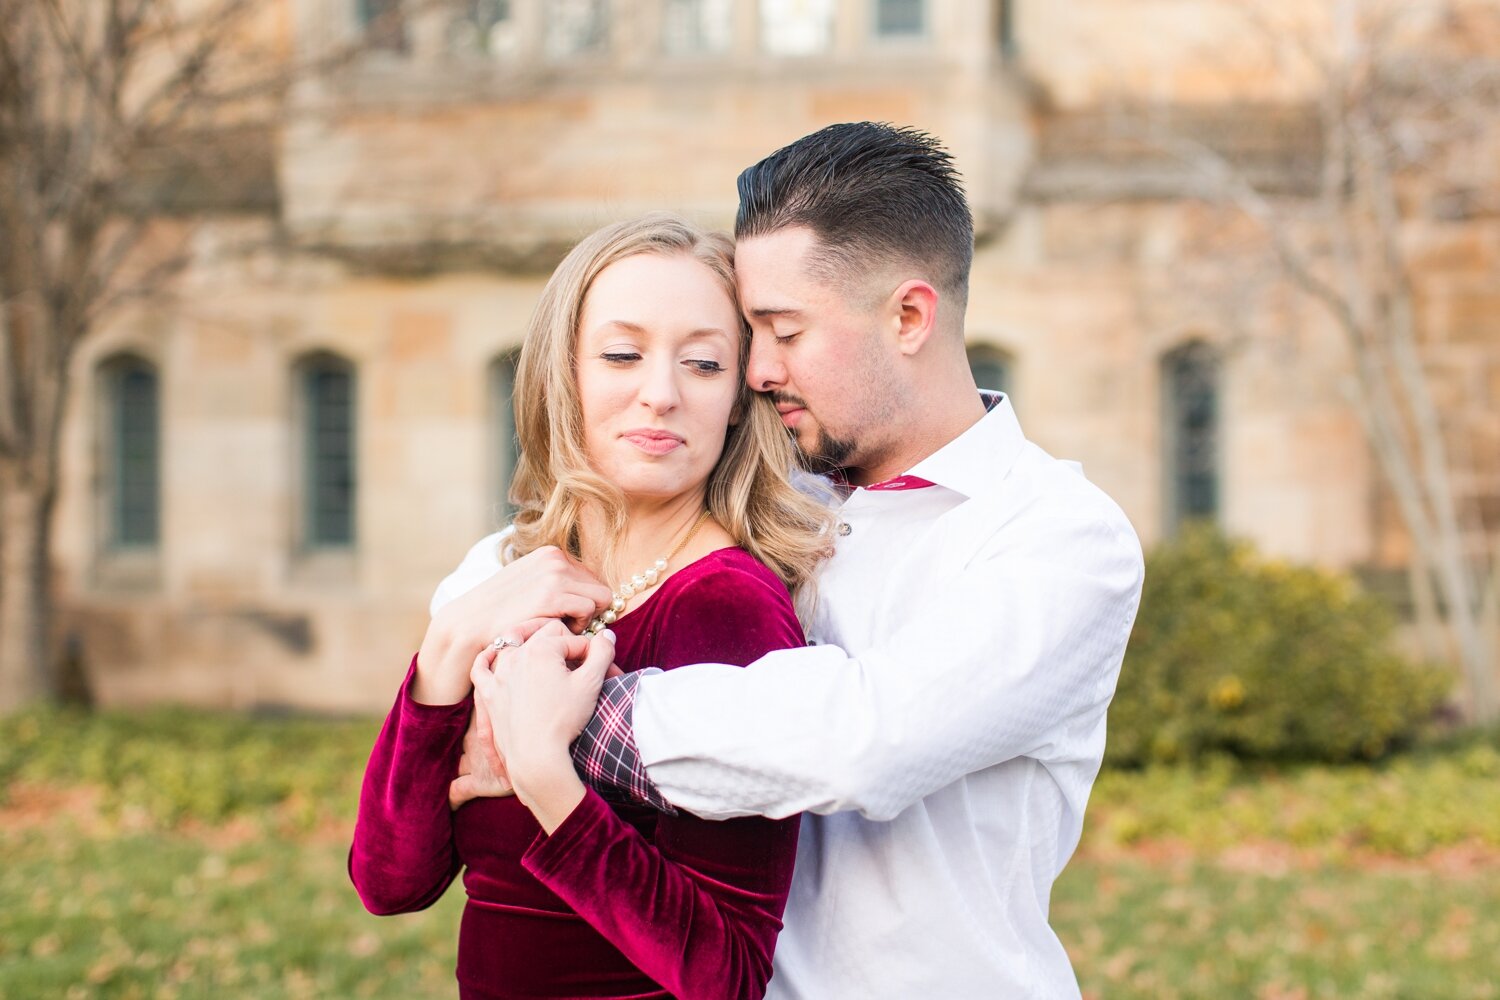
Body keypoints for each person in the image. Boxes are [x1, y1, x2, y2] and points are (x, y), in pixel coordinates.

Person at [467, 123, 1146, 999]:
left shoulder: (1060, 537)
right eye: (750, 333)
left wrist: (568, 716)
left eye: (783, 330)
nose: (755, 369)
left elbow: (867, 737)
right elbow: (536, 552)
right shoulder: (776, 494)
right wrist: (468, 636)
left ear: (909, 316)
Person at [349, 214, 835, 1000]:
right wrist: (447, 650)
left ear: (740, 399)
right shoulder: (517, 580)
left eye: (704, 364)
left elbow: (729, 975)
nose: (660, 394)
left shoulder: (727, 608)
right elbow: (389, 880)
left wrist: (548, 778)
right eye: (621, 354)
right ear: (562, 371)